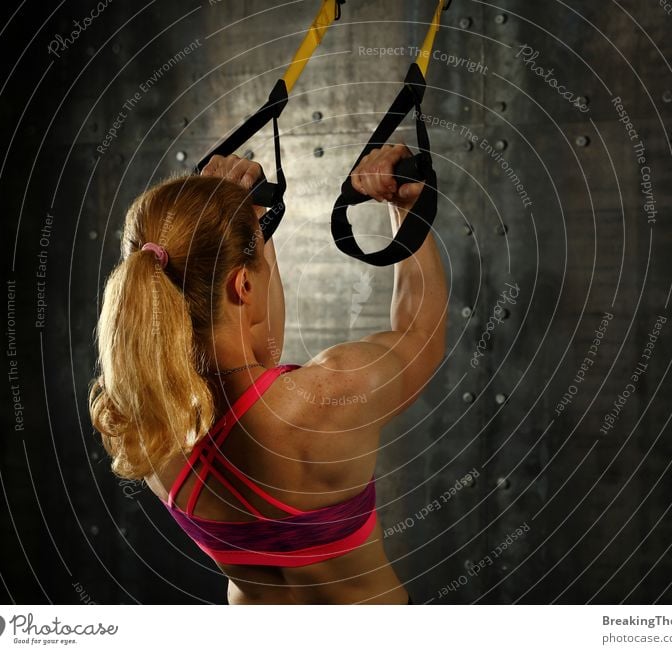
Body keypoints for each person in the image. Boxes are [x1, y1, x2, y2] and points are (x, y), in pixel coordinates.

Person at [88, 144, 448, 604]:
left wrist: (251, 223)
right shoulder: (329, 397)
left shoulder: (145, 424)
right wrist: (407, 209)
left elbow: (256, 355)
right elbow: (420, 333)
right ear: (242, 283)